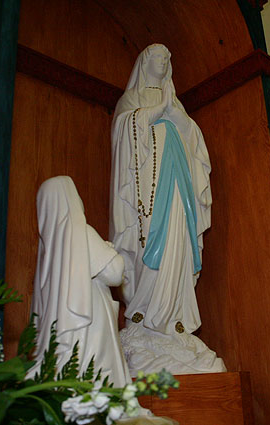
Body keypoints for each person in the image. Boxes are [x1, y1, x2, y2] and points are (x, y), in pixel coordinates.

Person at [110, 44, 224, 374]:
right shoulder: (132, 100)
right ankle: (145, 320)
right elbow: (122, 133)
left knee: (179, 245)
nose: (162, 62)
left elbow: (194, 142)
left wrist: (175, 115)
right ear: (145, 63)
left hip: (178, 193)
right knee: (149, 245)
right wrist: (155, 110)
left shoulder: (175, 102)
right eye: (157, 57)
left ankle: (173, 320)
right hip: (147, 195)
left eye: (166, 58)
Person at [29, 176, 131, 387]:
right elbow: (114, 273)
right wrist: (109, 251)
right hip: (90, 326)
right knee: (97, 377)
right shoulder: (80, 233)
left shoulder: (48, 251)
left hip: (65, 335)